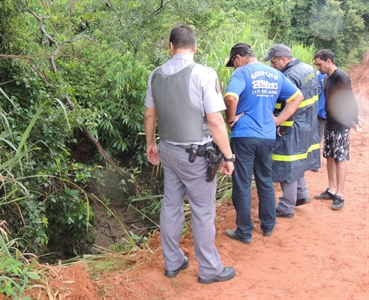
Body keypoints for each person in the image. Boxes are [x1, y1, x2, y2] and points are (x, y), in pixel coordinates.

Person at [144, 25, 236, 284]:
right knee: (203, 212)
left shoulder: (156, 75)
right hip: (196, 155)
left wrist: (151, 143)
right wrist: (228, 156)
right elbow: (216, 122)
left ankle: (173, 262)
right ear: (195, 48)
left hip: (168, 150)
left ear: (170, 46)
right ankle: (209, 269)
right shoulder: (203, 74)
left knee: (171, 206)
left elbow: (150, 114)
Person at [223, 43, 304, 243]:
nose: (234, 67)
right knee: (265, 180)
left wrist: (231, 120)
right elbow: (297, 97)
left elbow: (231, 97)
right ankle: (268, 226)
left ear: (239, 58)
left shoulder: (241, 73)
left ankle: (244, 232)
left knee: (242, 182)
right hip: (268, 136)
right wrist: (277, 120)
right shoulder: (275, 74)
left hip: (244, 136)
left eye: (233, 63)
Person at [263, 44, 321, 218]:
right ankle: (301, 193)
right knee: (298, 160)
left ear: (284, 59)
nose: (272, 66)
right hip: (308, 123)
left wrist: (281, 123)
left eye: (274, 62)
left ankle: (286, 206)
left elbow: (285, 105)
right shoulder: (308, 68)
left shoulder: (288, 76)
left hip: (292, 126)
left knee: (286, 163)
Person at [313, 49, 361, 210]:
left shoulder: (341, 76)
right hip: (330, 122)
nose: (318, 67)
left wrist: (354, 119)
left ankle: (340, 194)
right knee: (330, 156)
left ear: (328, 61)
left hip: (341, 123)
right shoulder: (326, 79)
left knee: (340, 158)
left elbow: (349, 98)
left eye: (319, 64)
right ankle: (332, 189)